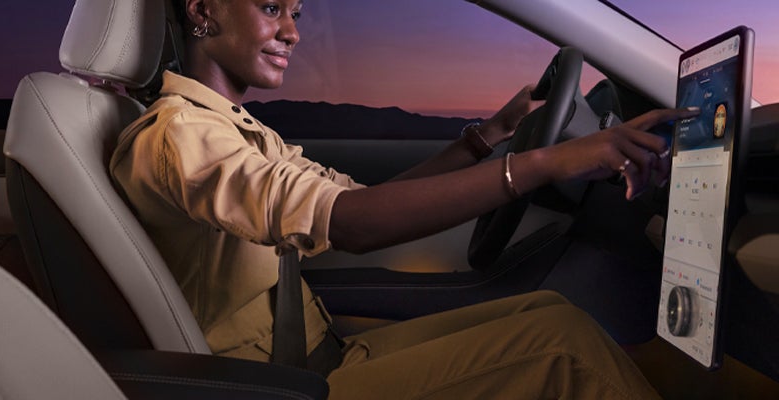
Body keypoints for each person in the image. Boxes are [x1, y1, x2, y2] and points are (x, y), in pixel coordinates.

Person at [110, 0, 699, 398]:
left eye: (295, 13)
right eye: (271, 9)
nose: (293, 32)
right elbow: (352, 225)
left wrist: (487, 138)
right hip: (279, 386)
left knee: (550, 312)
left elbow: (364, 201)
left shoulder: (235, 129)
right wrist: (545, 162)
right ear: (202, 10)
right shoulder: (180, 135)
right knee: (565, 351)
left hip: (318, 358)